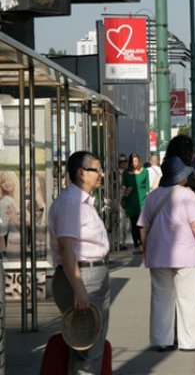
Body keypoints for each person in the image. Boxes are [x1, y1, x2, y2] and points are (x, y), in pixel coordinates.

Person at [137, 156, 195, 352]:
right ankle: (190, 341)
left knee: (161, 298)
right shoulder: (187, 196)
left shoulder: (153, 196)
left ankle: (162, 340)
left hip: (158, 254)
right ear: (180, 176)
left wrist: (146, 249)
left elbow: (143, 226)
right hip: (186, 255)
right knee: (188, 298)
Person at [48, 151, 110, 373]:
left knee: (91, 346)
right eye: (97, 169)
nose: (101, 174)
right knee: (87, 348)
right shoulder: (71, 204)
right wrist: (80, 290)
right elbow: (66, 249)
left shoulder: (83, 202)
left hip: (94, 276)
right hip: (83, 277)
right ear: (82, 173)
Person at [121, 152, 149, 253]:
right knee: (134, 224)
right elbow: (123, 186)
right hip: (131, 200)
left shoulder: (145, 172)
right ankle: (136, 245)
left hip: (142, 201)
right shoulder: (126, 173)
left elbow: (147, 187)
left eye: (136, 161)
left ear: (139, 161)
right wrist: (124, 194)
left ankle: (142, 244)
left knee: (141, 224)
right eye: (132, 162)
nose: (134, 163)